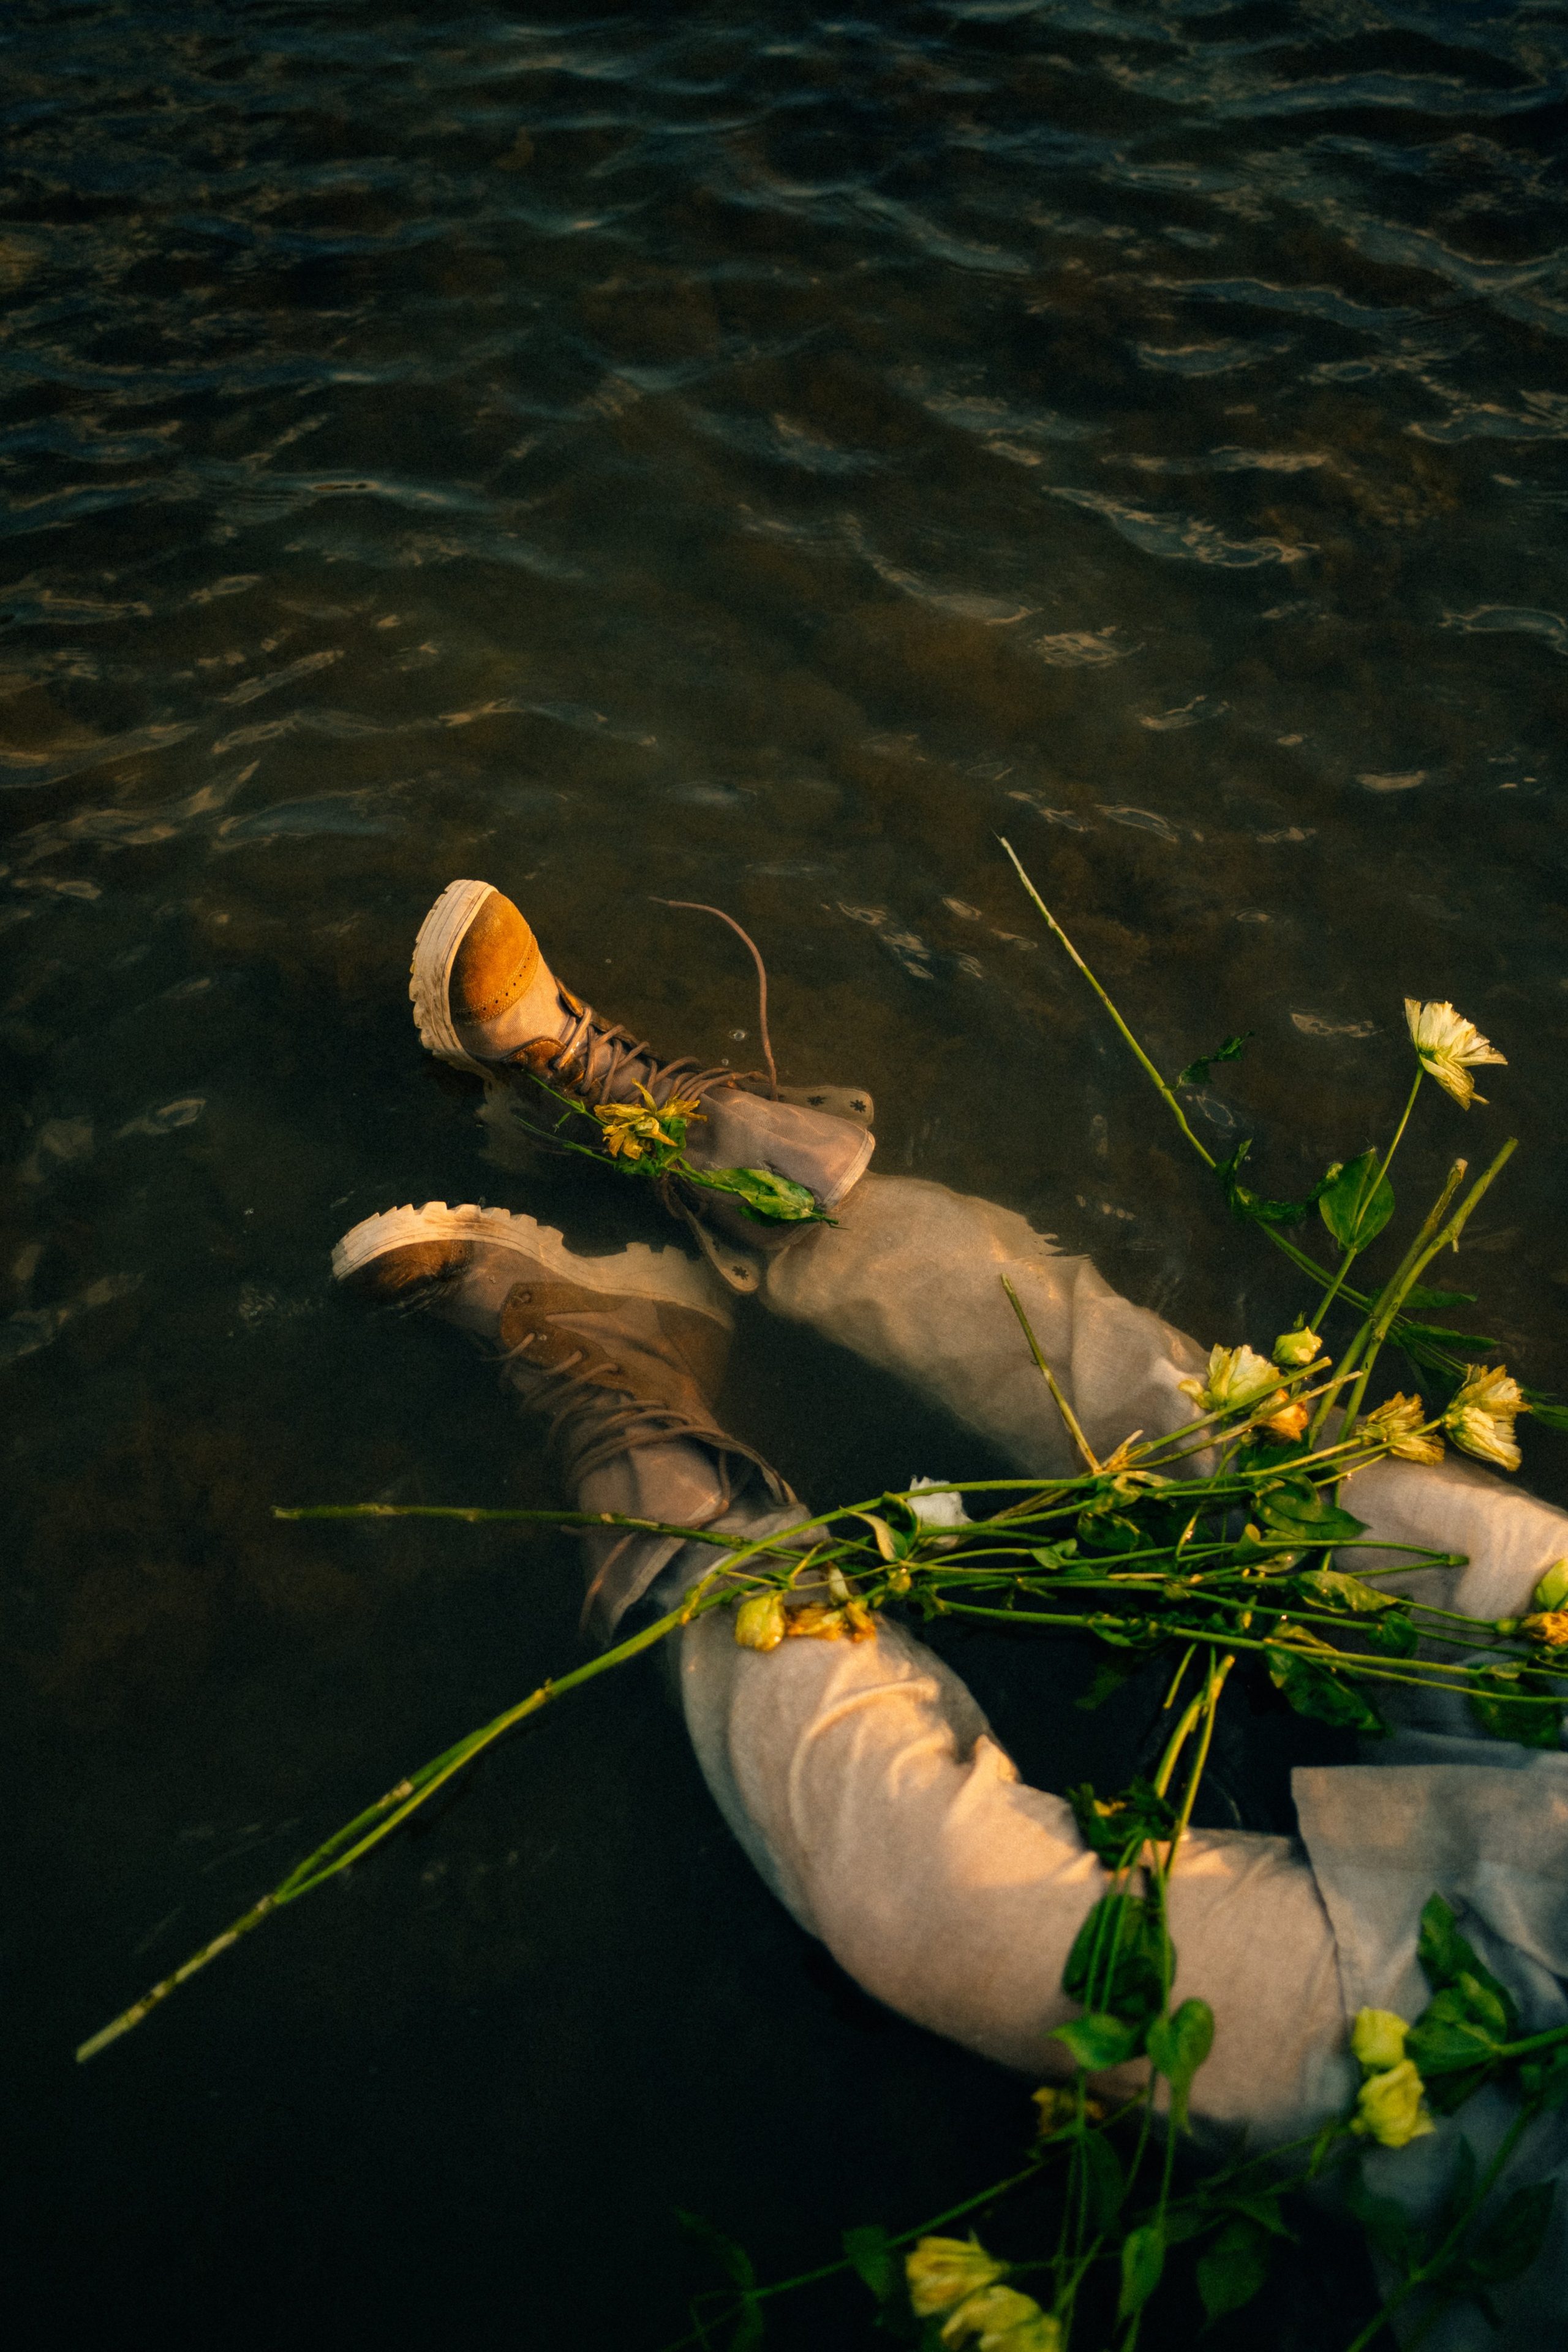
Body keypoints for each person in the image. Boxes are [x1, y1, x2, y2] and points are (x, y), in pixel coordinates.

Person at [336, 879, 1568, 2348]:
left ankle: (653, 1433)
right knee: (1234, 1455)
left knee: (932, 1910)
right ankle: (704, 1157)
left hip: (1508, 2115)